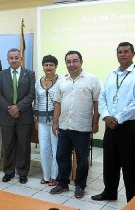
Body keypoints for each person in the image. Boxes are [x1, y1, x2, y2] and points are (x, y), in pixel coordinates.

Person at [91, 42, 135, 202]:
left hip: (130, 126)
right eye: (120, 52)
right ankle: (110, 192)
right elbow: (102, 97)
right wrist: (107, 116)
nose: (123, 54)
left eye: (126, 51)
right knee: (110, 161)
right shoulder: (111, 74)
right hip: (110, 124)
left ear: (133, 54)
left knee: (131, 164)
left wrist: (119, 118)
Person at [50, 50, 101, 198]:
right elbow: (57, 103)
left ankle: (80, 185)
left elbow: (97, 102)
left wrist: (95, 122)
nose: (72, 64)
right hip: (64, 125)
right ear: (65, 63)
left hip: (83, 127)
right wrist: (55, 122)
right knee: (61, 156)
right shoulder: (62, 81)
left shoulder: (92, 79)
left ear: (81, 62)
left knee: (82, 158)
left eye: (75, 61)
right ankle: (62, 183)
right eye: (69, 62)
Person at [0, 48, 35, 184]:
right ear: (7, 60)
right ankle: (9, 172)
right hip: (7, 116)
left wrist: (19, 107)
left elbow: (31, 94)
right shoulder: (1, 75)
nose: (14, 60)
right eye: (11, 58)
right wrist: (9, 108)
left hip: (24, 116)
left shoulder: (29, 74)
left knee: (24, 146)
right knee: (8, 145)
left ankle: (23, 173)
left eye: (16, 57)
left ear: (21, 58)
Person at [34, 55, 59, 186]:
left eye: (51, 65)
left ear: (56, 67)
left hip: (56, 121)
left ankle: (55, 176)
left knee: (55, 149)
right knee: (44, 149)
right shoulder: (38, 82)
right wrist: (36, 119)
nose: (48, 67)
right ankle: (46, 176)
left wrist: (57, 120)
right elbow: (37, 103)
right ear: (43, 66)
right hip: (42, 121)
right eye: (46, 65)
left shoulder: (61, 81)